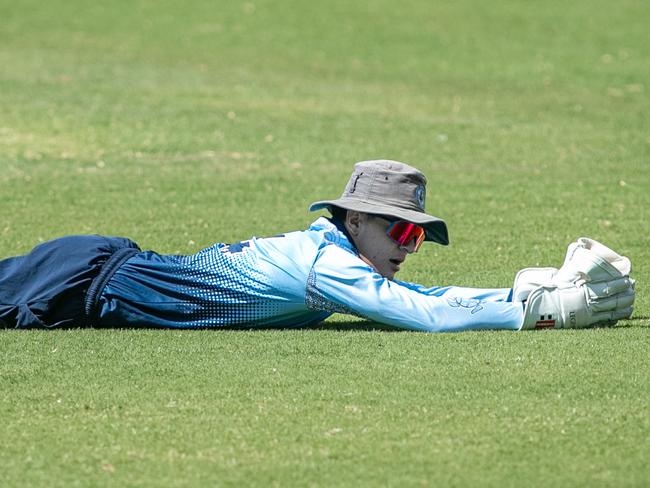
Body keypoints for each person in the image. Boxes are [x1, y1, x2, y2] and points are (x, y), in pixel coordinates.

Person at [0, 160, 635, 332]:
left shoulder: (334, 255)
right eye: (402, 230)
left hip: (99, 273)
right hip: (84, 279)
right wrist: (542, 311)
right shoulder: (323, 266)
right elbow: (427, 316)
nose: (410, 246)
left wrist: (534, 288)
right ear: (354, 219)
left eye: (417, 234)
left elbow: (419, 295)